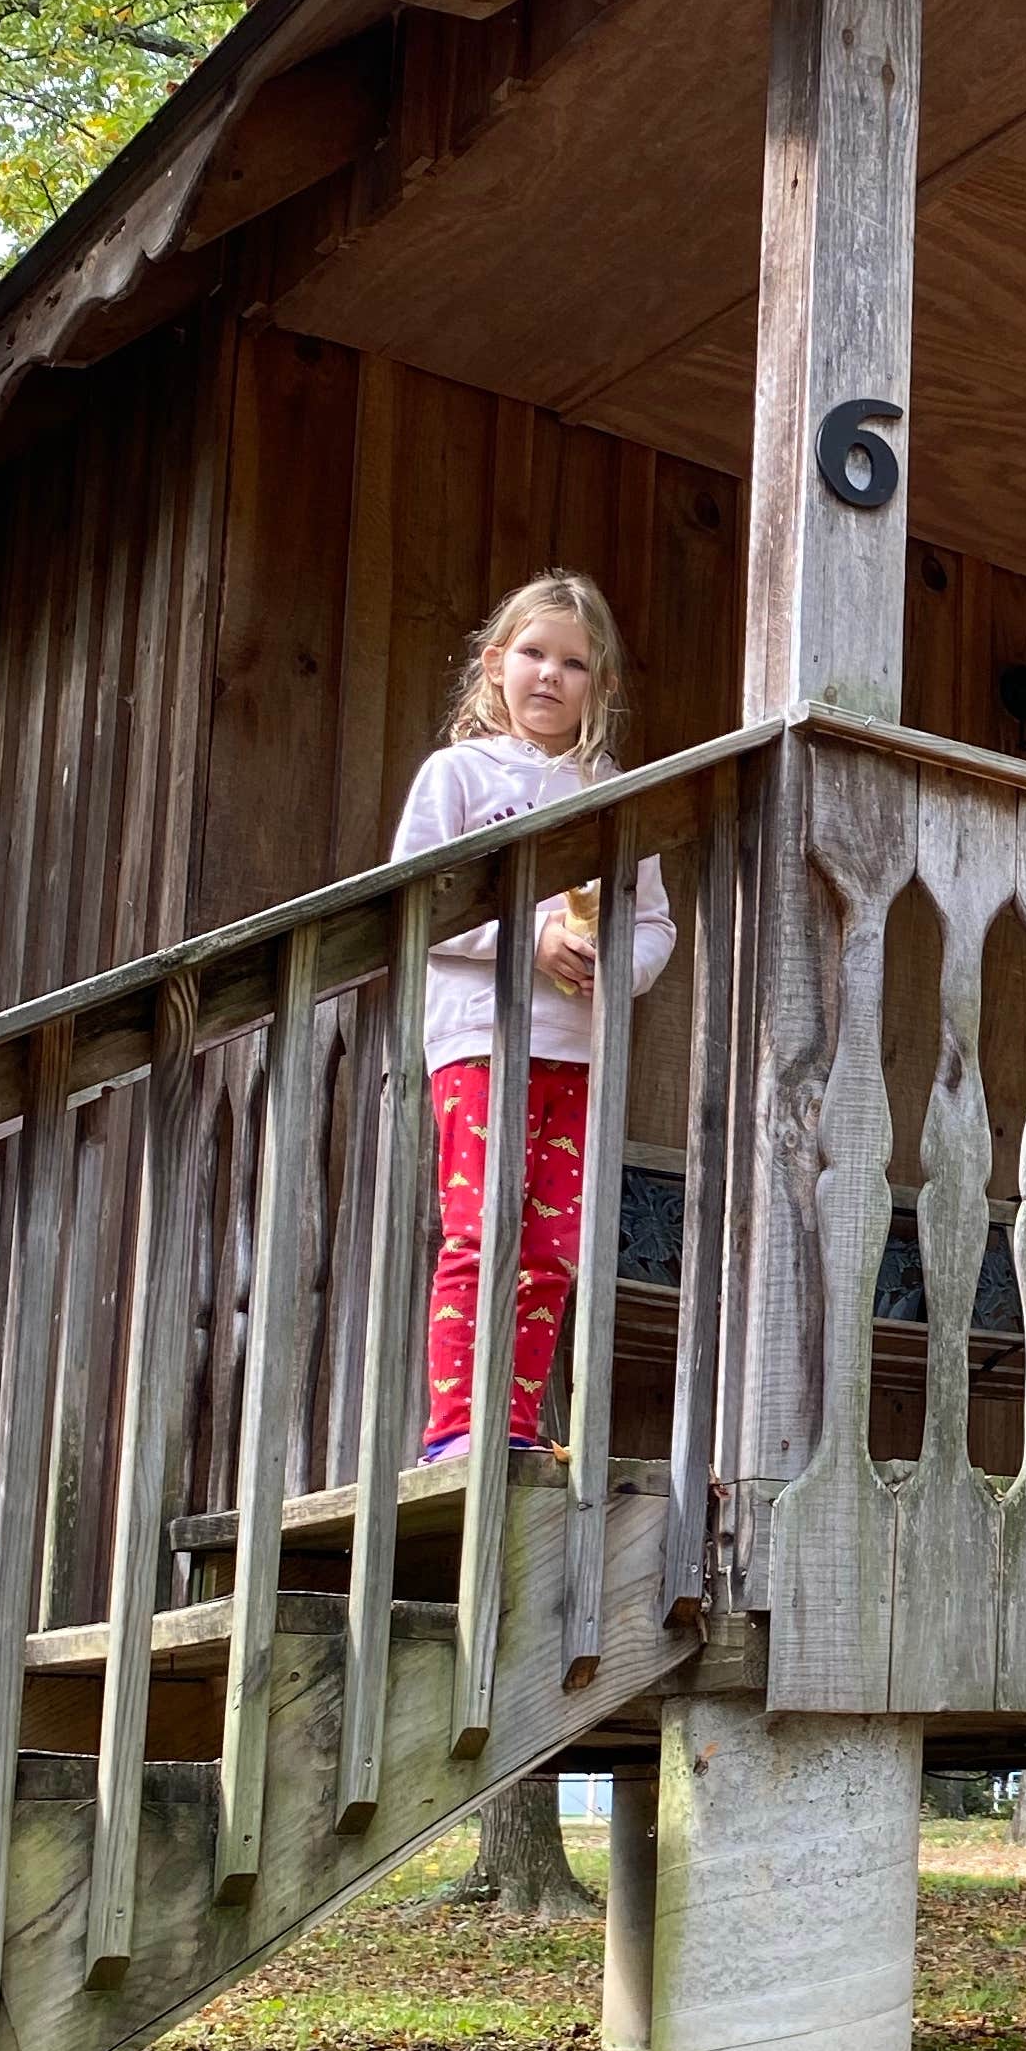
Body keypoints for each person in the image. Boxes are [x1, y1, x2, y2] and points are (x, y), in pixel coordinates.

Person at [390, 573, 675, 1462]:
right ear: (494, 664)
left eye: (574, 663)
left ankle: (511, 1427)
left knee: (550, 1249)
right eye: (532, 654)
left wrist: (614, 968)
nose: (550, 675)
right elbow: (416, 903)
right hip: (482, 1043)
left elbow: (654, 922)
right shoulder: (459, 775)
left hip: (577, 1054)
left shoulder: (617, 793)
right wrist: (534, 937)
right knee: (483, 1235)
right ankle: (455, 1432)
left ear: (602, 685)